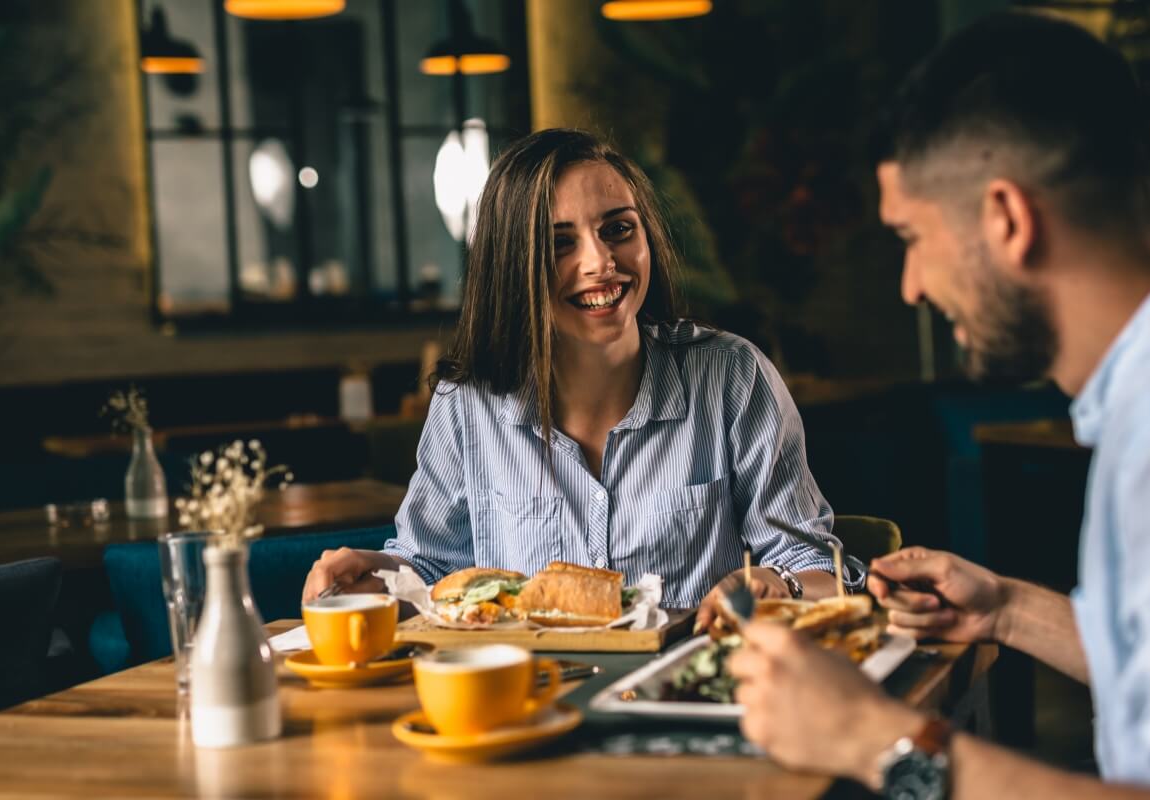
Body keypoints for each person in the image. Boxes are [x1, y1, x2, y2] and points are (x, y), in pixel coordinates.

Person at [731, 13, 1150, 799]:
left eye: (911, 237)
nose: (911, 286)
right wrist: (1008, 612)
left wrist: (875, 740)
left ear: (1007, 220)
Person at [303, 129, 853, 616]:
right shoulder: (466, 404)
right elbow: (431, 569)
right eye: (560, 243)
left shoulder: (731, 377)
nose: (600, 262)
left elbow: (818, 568)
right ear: (511, 263)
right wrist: (373, 577)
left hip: (682, 700)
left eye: (618, 229)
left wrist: (779, 583)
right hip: (526, 702)